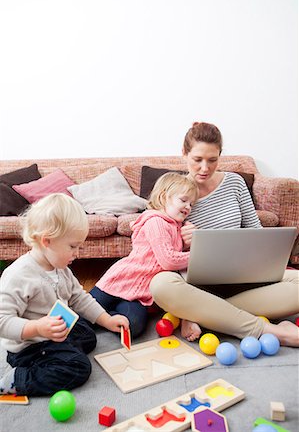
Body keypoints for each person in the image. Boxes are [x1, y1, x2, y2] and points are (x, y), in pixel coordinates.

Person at [150, 122, 299, 346]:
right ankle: (271, 331)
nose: (204, 168)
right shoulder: (175, 192)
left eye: (212, 160)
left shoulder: (235, 183)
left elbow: (255, 233)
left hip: (244, 276)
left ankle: (202, 314)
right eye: (197, 159)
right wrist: (182, 241)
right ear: (184, 154)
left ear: (220, 156)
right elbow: (157, 244)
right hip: (197, 285)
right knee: (161, 285)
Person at [0, 193, 129, 396]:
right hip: (29, 347)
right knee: (78, 367)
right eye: (72, 247)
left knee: (88, 336)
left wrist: (107, 320)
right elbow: (2, 321)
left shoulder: (60, 267)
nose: (77, 253)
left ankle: (62, 350)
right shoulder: (18, 275)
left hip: (50, 332)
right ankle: (17, 379)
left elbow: (79, 297)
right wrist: (37, 328)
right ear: (47, 241)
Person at [90, 172, 199, 338]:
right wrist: (198, 256)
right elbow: (169, 260)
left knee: (133, 327)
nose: (188, 207)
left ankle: (104, 318)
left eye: (191, 204)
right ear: (163, 198)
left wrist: (186, 243)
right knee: (82, 312)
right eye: (183, 200)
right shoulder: (156, 221)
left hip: (139, 295)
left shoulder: (176, 227)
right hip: (120, 281)